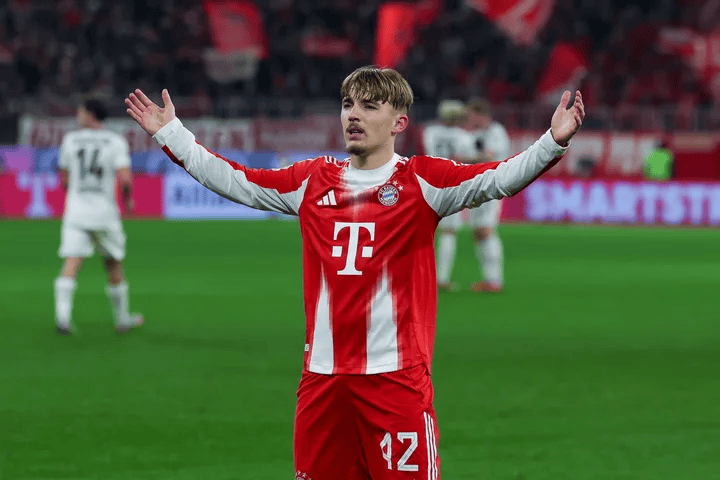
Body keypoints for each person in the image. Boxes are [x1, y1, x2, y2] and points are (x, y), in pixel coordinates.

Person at [125, 66, 584, 480]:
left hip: (395, 382)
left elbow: (498, 178)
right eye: (348, 105)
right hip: (322, 384)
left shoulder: (423, 181)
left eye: (369, 106)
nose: (354, 115)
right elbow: (236, 180)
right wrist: (173, 134)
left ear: (399, 123)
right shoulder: (312, 179)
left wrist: (553, 141)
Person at [54, 97, 143, 335]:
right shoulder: (115, 141)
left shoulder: (70, 140)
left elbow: (64, 179)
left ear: (90, 114)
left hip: (76, 211)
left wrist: (76, 195)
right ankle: (122, 319)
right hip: (105, 213)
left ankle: (63, 319)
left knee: (72, 262)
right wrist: (128, 200)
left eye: (81, 111)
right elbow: (125, 179)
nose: (78, 115)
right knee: (113, 263)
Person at [422, 100, 478, 292]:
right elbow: (468, 160)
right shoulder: (464, 136)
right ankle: (442, 279)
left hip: (428, 182)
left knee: (423, 232)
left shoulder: (430, 131)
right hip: (452, 184)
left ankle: (416, 276)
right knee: (448, 232)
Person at [464, 98, 512, 292]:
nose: (468, 119)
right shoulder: (477, 134)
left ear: (480, 115)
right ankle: (487, 278)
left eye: (471, 115)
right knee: (477, 232)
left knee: (486, 229)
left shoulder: (496, 132)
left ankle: (495, 279)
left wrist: (462, 160)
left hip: (492, 185)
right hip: (477, 185)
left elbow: (488, 156)